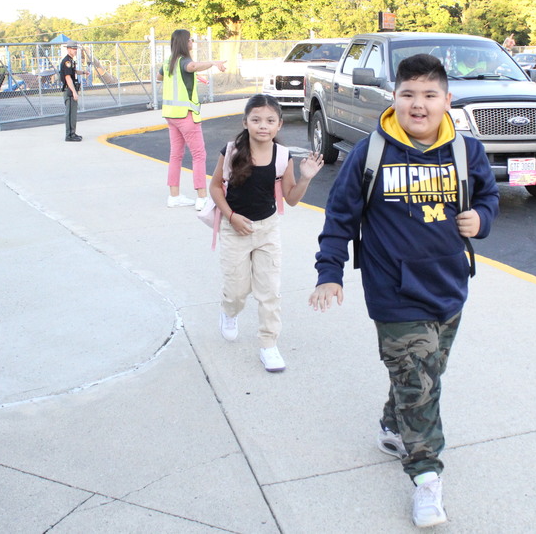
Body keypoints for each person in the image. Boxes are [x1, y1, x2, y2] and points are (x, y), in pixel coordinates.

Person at [308, 54, 499, 528]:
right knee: (420, 386)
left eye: (430, 95)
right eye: (409, 94)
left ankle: (393, 426)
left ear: (446, 101)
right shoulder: (370, 152)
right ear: (394, 98)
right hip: (393, 293)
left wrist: (483, 220)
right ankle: (427, 477)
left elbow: (489, 196)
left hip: (450, 286)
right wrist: (329, 271)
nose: (419, 104)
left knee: (428, 373)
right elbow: (340, 217)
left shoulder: (466, 151)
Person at [210, 95, 323, 372]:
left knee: (269, 291)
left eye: (270, 121)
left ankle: (269, 345)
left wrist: (306, 177)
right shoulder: (231, 152)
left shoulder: (283, 156)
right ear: (245, 122)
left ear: (279, 124)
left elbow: (292, 198)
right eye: (256, 120)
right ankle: (229, 311)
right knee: (237, 290)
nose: (263, 126)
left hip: (267, 230)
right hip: (235, 228)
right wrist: (232, 217)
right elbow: (214, 188)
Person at [160, 28, 227, 210]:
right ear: (184, 42)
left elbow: (160, 77)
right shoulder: (185, 61)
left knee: (176, 155)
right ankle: (201, 197)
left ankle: (174, 196)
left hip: (171, 115)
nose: (192, 43)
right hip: (186, 115)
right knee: (199, 155)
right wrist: (213, 62)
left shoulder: (168, 63)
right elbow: (192, 67)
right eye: (190, 40)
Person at [60, 41, 88, 142]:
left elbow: (73, 72)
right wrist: (74, 92)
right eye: (73, 49)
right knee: (70, 113)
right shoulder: (67, 61)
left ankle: (73, 133)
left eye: (76, 49)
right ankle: (69, 135)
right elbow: (68, 77)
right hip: (70, 89)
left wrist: (83, 72)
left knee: (73, 113)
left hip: (72, 89)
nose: (75, 51)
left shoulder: (71, 61)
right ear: (68, 49)